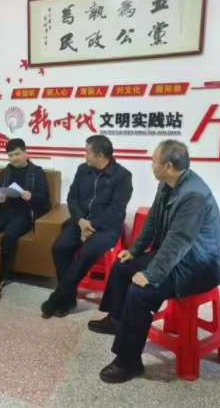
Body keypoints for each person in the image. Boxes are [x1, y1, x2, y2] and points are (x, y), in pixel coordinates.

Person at [90, 140, 220, 384]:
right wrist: (134, 251)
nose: (151, 165)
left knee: (140, 292)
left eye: (154, 161)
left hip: (198, 266)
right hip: (176, 257)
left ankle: (129, 361)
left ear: (169, 166)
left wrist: (151, 274)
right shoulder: (167, 184)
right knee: (122, 267)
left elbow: (180, 241)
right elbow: (152, 221)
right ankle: (117, 320)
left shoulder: (193, 196)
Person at [42, 135, 133, 319]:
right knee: (60, 247)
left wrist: (91, 226)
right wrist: (81, 222)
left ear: (100, 156)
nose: (85, 155)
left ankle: (58, 297)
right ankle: (68, 299)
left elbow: (116, 210)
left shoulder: (123, 176)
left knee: (86, 254)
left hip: (107, 227)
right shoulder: (83, 169)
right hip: (80, 222)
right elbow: (72, 198)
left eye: (87, 151)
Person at [0, 138, 50, 295]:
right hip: (6, 211)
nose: (14, 158)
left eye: (17, 154)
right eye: (11, 155)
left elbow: (45, 198)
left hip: (25, 213)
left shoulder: (37, 172)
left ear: (25, 152)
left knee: (9, 235)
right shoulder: (6, 171)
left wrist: (31, 196)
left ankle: (0, 276)